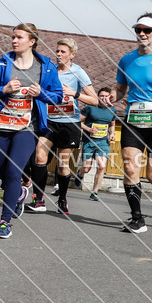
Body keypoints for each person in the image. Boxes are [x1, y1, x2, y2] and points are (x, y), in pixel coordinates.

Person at [0, 23, 63, 238]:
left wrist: (41, 93)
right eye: (13, 37)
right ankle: (17, 194)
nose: (14, 41)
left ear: (32, 41)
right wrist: (3, 89)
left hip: (28, 127)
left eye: (19, 37)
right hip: (2, 125)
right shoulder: (1, 64)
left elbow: (58, 97)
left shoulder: (46, 67)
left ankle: (4, 222)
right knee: (4, 173)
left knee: (14, 171)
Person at [25, 38, 97, 215]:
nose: (58, 54)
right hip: (49, 121)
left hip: (69, 123)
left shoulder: (78, 72)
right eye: (57, 51)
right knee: (40, 156)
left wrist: (74, 93)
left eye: (63, 52)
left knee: (63, 165)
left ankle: (62, 199)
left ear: (73, 54)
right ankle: (39, 200)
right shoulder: (49, 70)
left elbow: (95, 100)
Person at [112, 14, 152, 233]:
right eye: (138, 30)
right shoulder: (127, 59)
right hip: (134, 119)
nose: (142, 34)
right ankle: (137, 219)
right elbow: (120, 89)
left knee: (151, 174)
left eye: (147, 30)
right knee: (129, 165)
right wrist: (112, 96)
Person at [79, 87, 117, 201]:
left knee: (101, 167)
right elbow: (78, 121)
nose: (104, 98)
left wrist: (112, 133)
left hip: (103, 142)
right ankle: (80, 174)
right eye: (102, 96)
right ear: (98, 97)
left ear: (109, 97)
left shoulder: (112, 110)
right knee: (86, 168)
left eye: (106, 96)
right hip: (88, 141)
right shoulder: (90, 108)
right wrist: (89, 129)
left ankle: (95, 192)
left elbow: (112, 124)